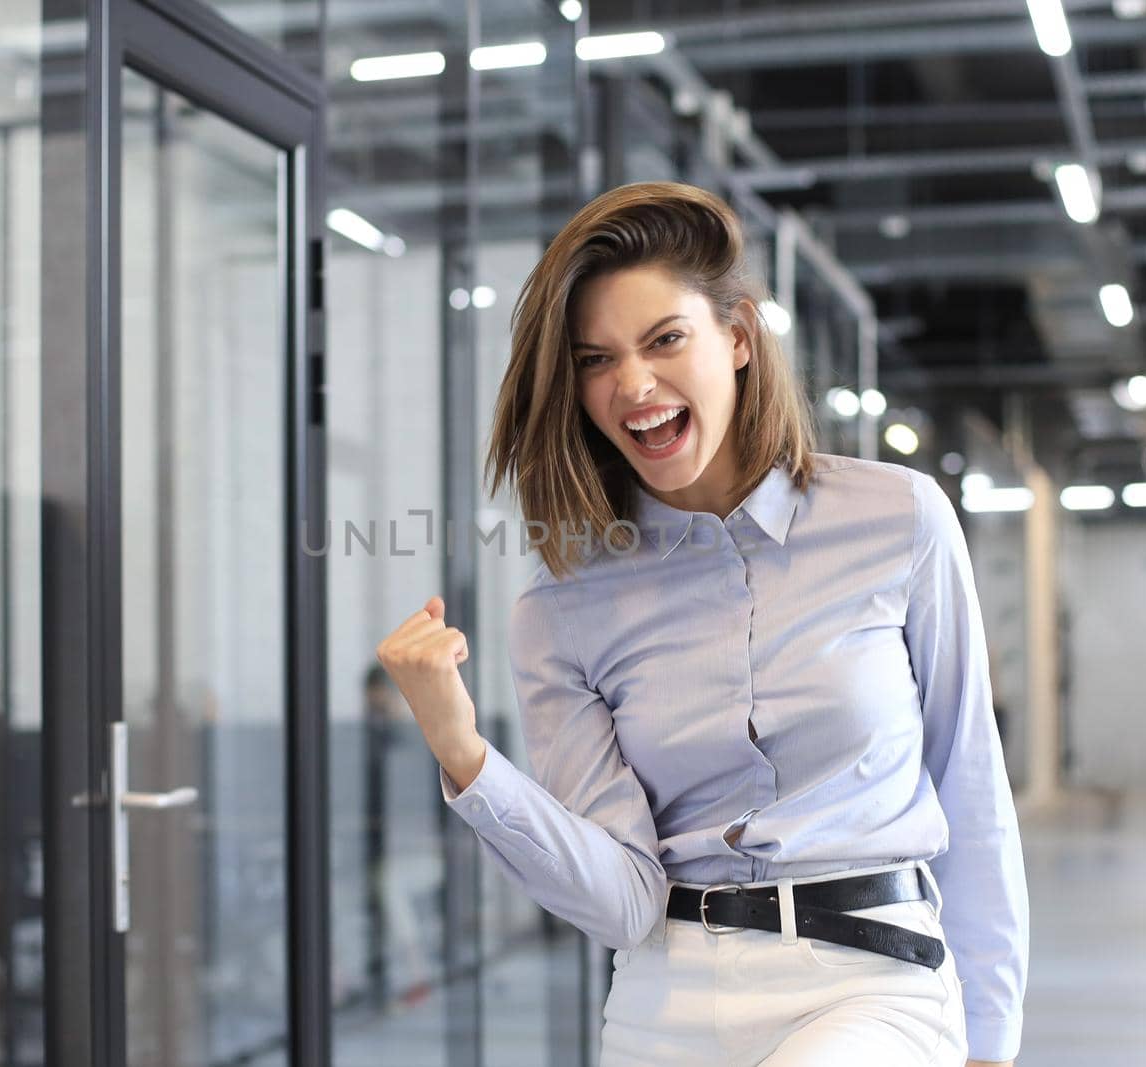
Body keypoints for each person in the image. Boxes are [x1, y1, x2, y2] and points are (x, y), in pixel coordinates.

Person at [375, 181, 1027, 1066]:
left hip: (871, 981)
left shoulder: (898, 518)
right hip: (664, 1003)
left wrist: (990, 1039)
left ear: (739, 338)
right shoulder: (563, 606)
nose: (633, 384)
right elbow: (624, 902)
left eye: (665, 340)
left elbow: (968, 779)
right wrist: (467, 757)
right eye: (596, 359)